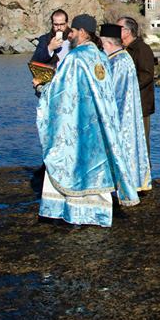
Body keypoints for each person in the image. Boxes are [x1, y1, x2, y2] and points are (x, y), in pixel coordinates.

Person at [36, 14, 139, 225]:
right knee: (95, 169)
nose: (69, 34)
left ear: (82, 32)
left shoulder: (74, 58)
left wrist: (40, 86)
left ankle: (71, 214)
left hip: (78, 124)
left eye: (72, 31)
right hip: (98, 127)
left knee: (72, 165)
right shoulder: (101, 57)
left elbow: (59, 93)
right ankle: (95, 213)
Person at [100, 23, 151, 192]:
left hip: (121, 115)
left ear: (107, 43)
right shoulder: (120, 57)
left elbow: (111, 90)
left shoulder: (119, 61)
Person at [118, 16, 156, 159]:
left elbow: (147, 75)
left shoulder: (142, 49)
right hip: (127, 104)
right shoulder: (124, 49)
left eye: (119, 28)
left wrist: (127, 88)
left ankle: (146, 177)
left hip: (140, 105)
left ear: (127, 31)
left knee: (141, 142)